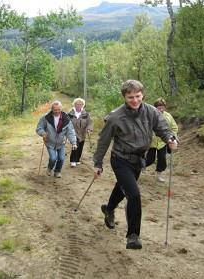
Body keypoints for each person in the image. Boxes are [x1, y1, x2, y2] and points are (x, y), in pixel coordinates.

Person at [93, 80, 178, 249]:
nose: (135, 100)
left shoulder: (151, 111)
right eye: (130, 97)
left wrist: (170, 139)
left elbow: (162, 128)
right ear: (124, 97)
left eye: (137, 96)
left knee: (122, 188)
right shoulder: (116, 116)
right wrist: (98, 162)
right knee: (134, 194)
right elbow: (103, 140)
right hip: (120, 159)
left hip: (139, 160)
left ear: (142, 95)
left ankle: (109, 209)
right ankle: (133, 235)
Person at [36, 100, 77, 178]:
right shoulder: (45, 117)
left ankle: (57, 171)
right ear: (52, 109)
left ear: (61, 108)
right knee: (53, 158)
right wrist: (43, 133)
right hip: (50, 142)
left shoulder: (66, 119)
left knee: (61, 159)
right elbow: (39, 128)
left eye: (59, 109)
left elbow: (70, 131)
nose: (57, 111)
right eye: (55, 110)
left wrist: (74, 142)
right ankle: (49, 168)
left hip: (61, 143)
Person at [145, 98, 178, 182]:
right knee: (149, 159)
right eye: (158, 107)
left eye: (162, 107)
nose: (160, 109)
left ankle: (158, 175)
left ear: (165, 107)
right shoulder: (151, 115)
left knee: (162, 159)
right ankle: (139, 167)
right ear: (155, 107)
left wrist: (172, 136)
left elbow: (174, 127)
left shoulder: (168, 116)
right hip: (152, 141)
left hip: (163, 142)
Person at [68, 98, 93, 167]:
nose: (79, 105)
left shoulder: (86, 114)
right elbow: (67, 123)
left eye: (80, 104)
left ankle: (77, 159)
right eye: (77, 104)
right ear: (74, 105)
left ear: (83, 105)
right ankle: (73, 160)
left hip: (83, 133)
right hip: (73, 132)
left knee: (80, 146)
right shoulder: (70, 113)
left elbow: (89, 123)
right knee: (75, 145)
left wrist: (89, 128)